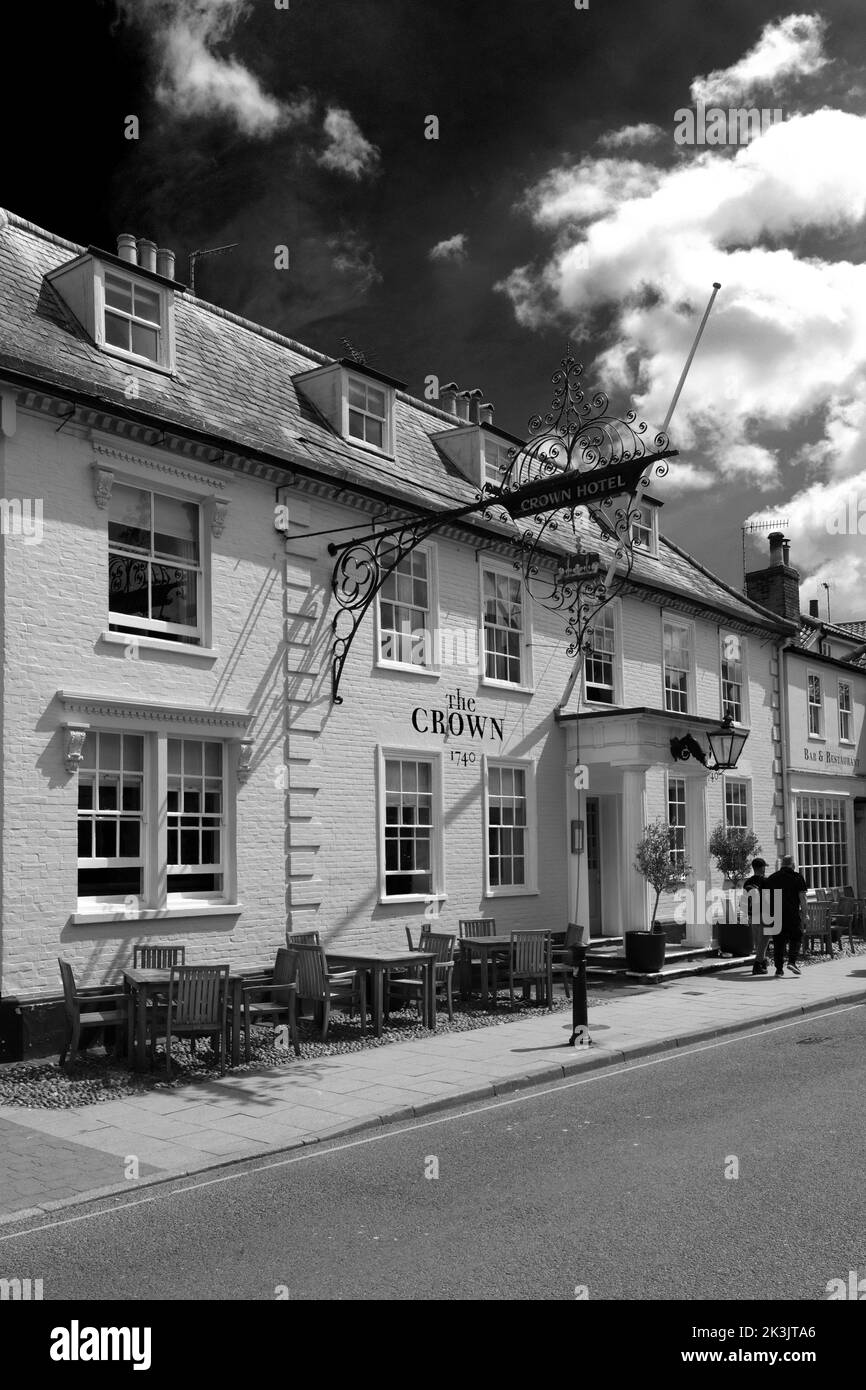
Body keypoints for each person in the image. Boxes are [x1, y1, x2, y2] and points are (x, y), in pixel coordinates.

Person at [765, 854, 808, 976]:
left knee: (778, 942)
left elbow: (765, 898)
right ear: (793, 865)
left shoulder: (772, 878)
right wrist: (805, 915)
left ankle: (779, 969)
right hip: (792, 913)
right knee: (796, 936)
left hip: (776, 914)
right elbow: (803, 898)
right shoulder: (797, 877)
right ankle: (792, 962)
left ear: (781, 865)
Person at [743, 857, 771, 974]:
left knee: (758, 941)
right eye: (764, 867)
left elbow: (744, 900)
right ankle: (758, 964)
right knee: (764, 940)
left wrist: (745, 915)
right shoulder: (766, 881)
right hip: (764, 913)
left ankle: (763, 961)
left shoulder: (747, 882)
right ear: (762, 868)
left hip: (752, 914)